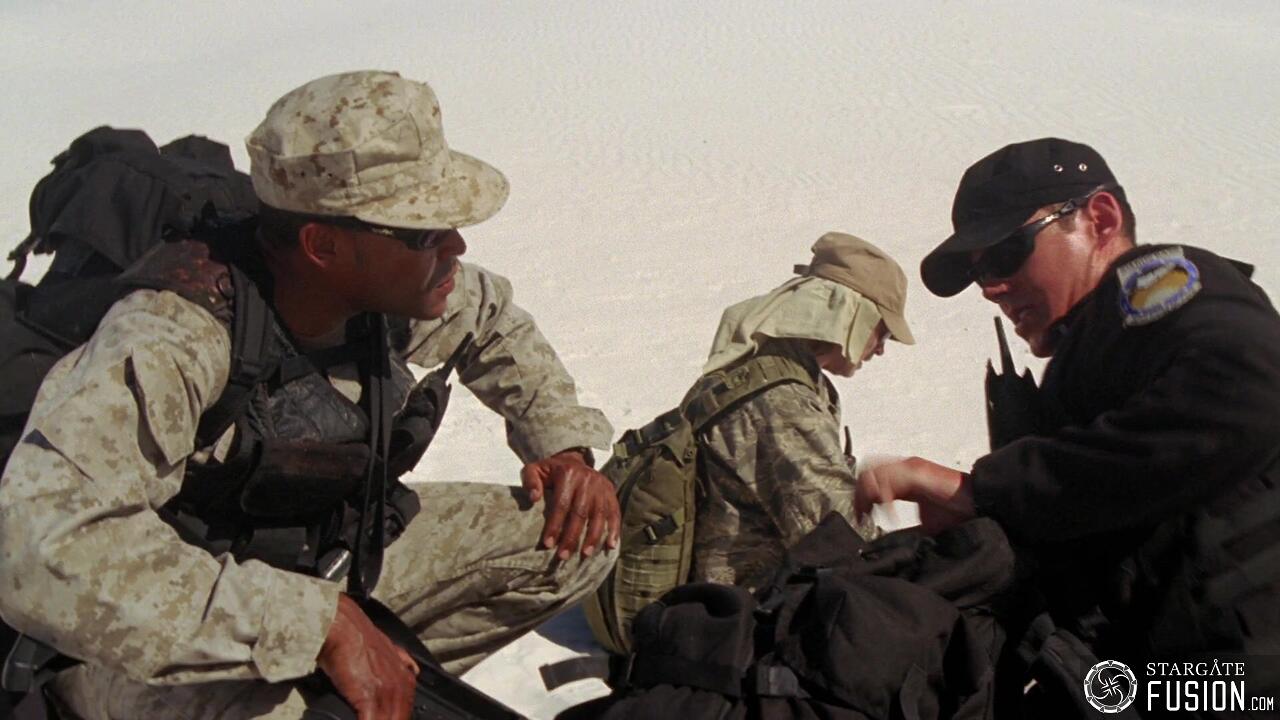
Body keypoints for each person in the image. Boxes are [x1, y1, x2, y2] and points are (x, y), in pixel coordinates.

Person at [0, 70, 619, 719]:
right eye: (423, 232)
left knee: (578, 539)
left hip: (316, 567)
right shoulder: (175, 337)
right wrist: (305, 623)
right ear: (323, 245)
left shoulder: (386, 289)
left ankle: (376, 683)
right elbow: (40, 551)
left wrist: (561, 446)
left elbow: (492, 320)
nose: (457, 245)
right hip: (144, 633)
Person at [855, 138, 1280, 705]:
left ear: (1100, 219)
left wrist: (984, 489)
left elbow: (1248, 390)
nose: (991, 288)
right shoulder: (1092, 347)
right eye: (979, 273)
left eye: (1006, 253)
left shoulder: (1153, 290)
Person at [689, 232, 914, 591]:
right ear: (850, 317)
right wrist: (921, 553)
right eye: (882, 333)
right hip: (749, 603)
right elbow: (834, 532)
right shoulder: (783, 401)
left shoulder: (772, 371)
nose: (880, 350)